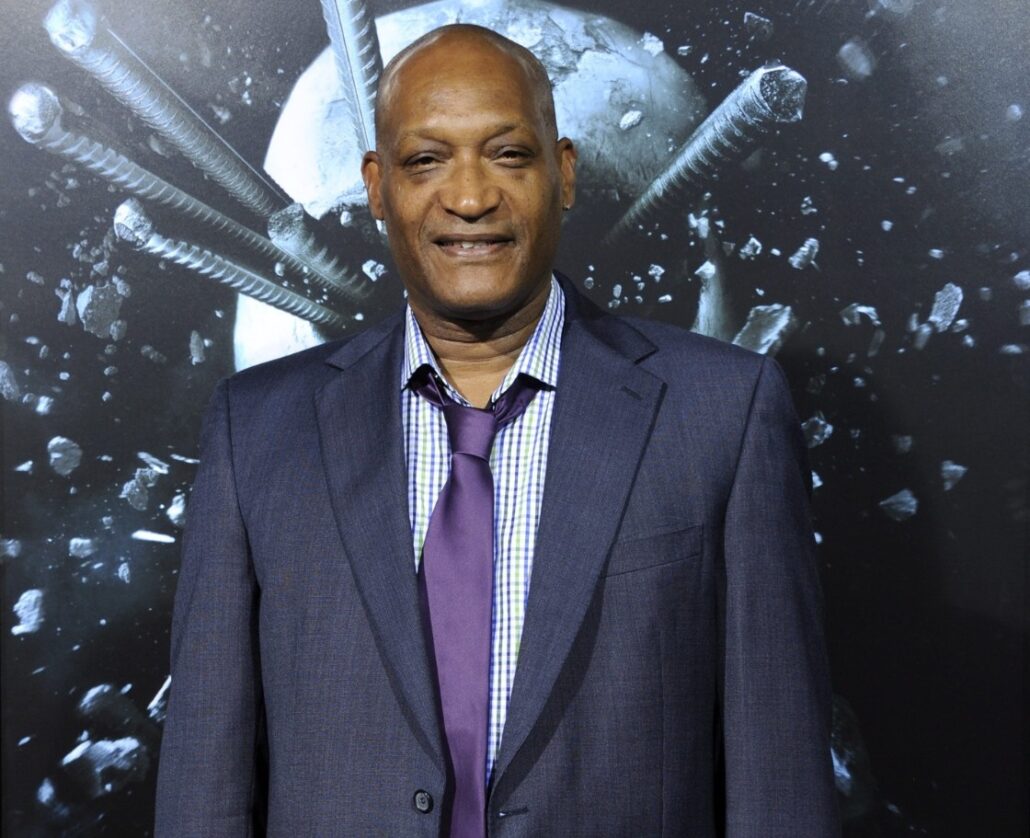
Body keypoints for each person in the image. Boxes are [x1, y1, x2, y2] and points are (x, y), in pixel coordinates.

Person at [154, 23, 840, 837]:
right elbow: (207, 784)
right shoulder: (258, 431)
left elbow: (779, 781)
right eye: (425, 160)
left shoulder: (725, 411)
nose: (471, 197)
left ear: (565, 172)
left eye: (509, 154)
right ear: (375, 186)